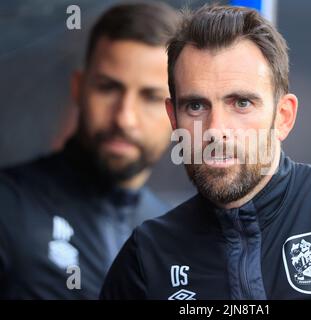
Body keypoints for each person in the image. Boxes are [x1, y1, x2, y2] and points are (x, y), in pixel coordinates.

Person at [100, 5, 311, 300]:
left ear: (283, 116)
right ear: (174, 118)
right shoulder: (147, 255)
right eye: (196, 105)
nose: (216, 129)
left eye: (241, 103)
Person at [0, 2, 178, 299]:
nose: (124, 117)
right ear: (78, 88)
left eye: (150, 97)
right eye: (108, 87)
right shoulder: (8, 209)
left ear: (178, 112)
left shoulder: (176, 236)